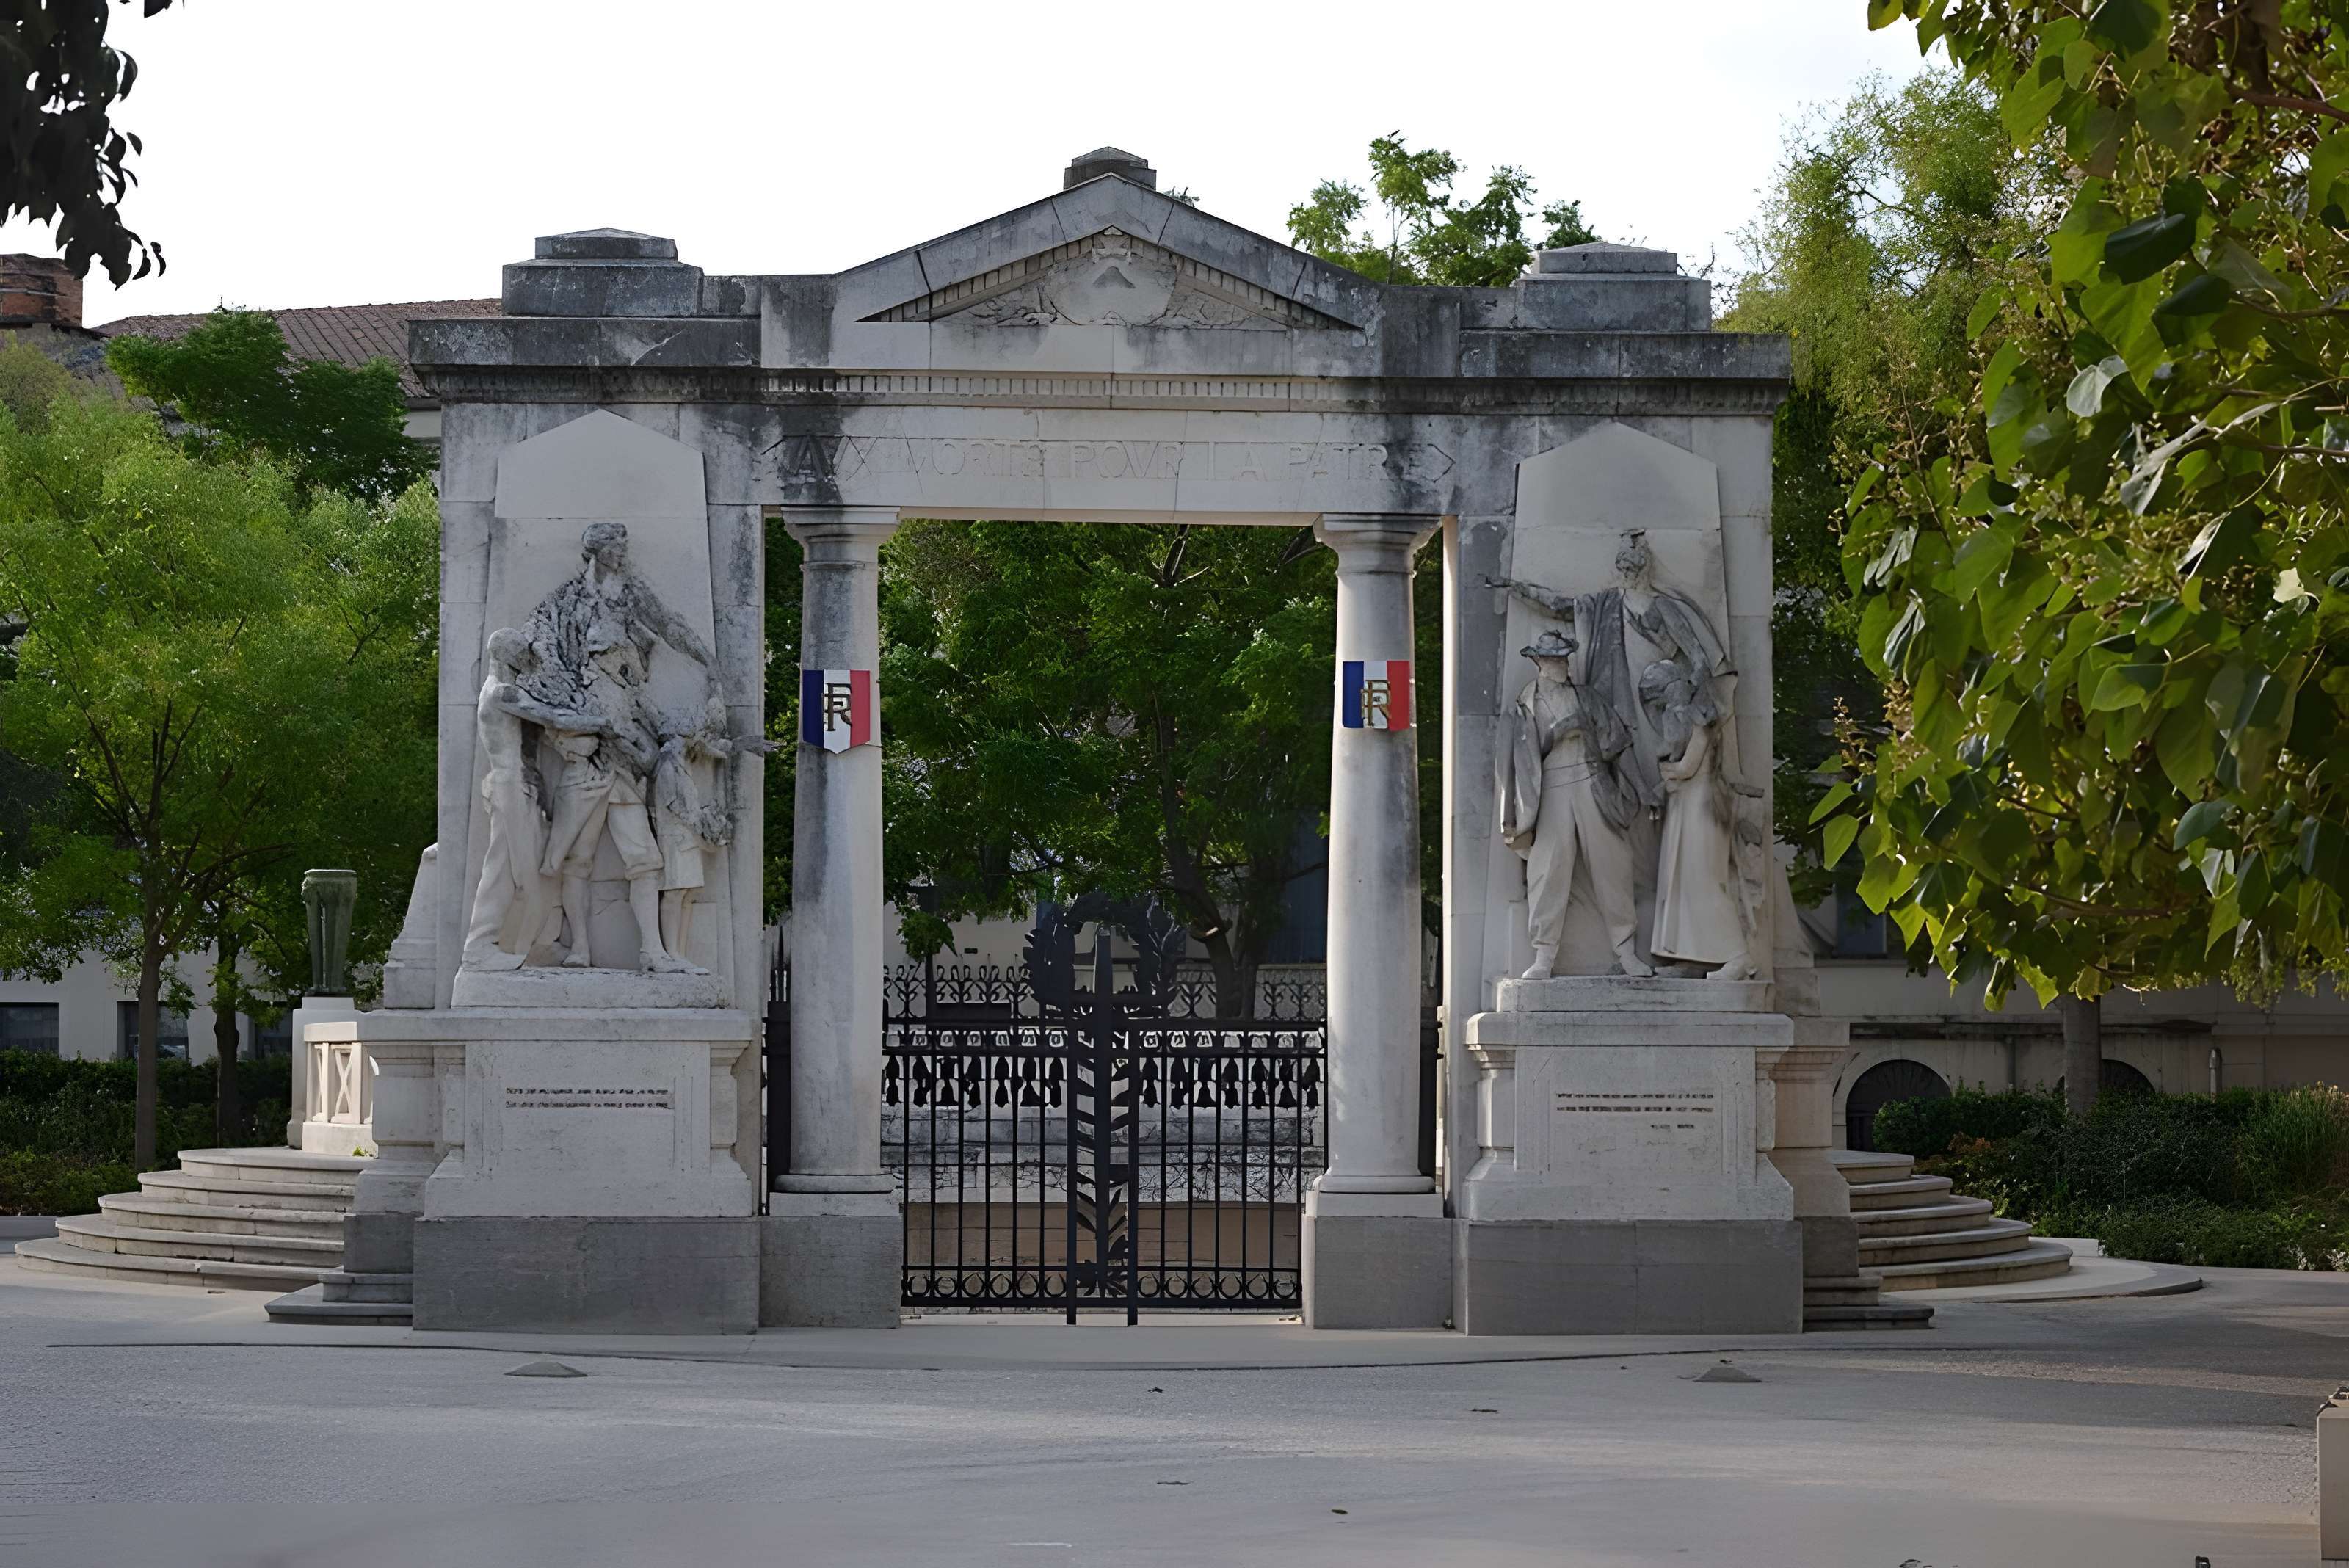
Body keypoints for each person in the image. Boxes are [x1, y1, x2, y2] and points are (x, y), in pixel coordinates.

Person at [1496, 630, 1653, 979]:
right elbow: (1519, 762)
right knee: (1547, 871)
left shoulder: (1587, 697)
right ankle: (1544, 956)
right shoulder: (1526, 703)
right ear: (1538, 661)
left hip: (1592, 780)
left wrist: (1643, 790)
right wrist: (1561, 731)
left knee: (1613, 864)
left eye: (1564, 658)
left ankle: (1626, 950)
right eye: (1554, 659)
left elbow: (1619, 744)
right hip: (1551, 787)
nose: (1561, 665)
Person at [461, 628, 610, 972]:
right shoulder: (501, 692)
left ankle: (540, 944)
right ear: (504, 655)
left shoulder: (508, 690)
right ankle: (479, 946)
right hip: (509, 785)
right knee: (506, 867)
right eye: (522, 653)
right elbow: (551, 716)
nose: (528, 658)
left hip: (525, 785)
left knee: (538, 868)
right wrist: (602, 721)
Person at [1638, 657, 1750, 978]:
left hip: (1703, 804)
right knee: (1681, 884)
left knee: (1705, 880)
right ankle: (1688, 955)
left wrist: (1665, 772)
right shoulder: (1685, 717)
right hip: (1684, 805)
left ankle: (1739, 957)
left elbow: (1687, 767)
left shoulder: (1702, 717)